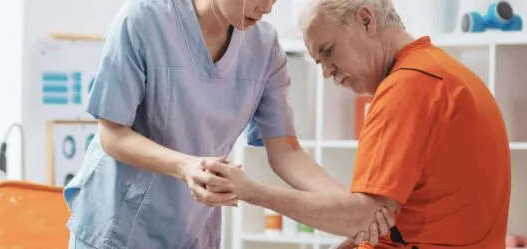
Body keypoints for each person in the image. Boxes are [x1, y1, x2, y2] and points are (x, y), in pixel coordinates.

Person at [62, 0, 396, 248]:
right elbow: (112, 135)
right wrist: (185, 166)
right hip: (118, 228)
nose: (267, 7)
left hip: (192, 230)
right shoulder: (143, 21)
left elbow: (287, 152)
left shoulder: (264, 48)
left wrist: (355, 211)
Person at [201, 0, 512, 248]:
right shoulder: (449, 74)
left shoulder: (407, 88)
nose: (326, 72)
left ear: (366, 20)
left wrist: (252, 191)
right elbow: (386, 212)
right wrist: (357, 226)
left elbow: (364, 216)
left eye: (328, 51)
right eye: (318, 63)